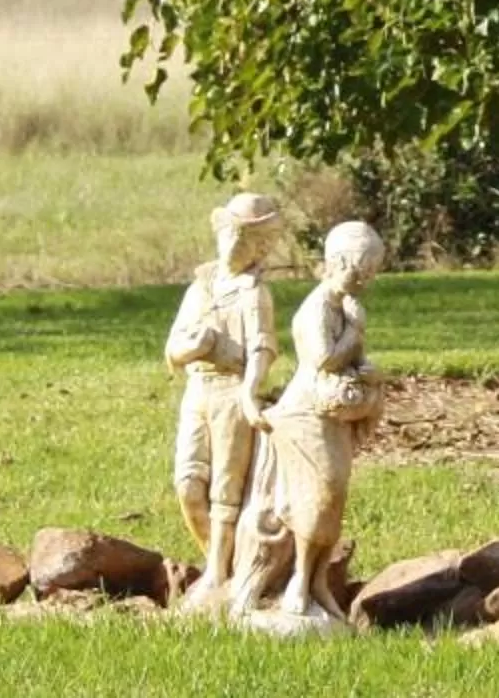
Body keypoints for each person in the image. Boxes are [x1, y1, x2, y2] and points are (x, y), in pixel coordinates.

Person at [237, 219, 386, 625]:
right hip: (306, 414)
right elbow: (324, 359)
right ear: (336, 262)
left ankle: (318, 580)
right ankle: (298, 580)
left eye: (371, 274)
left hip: (333, 412)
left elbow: (350, 361)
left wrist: (368, 370)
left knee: (335, 497)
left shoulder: (345, 306)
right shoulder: (317, 308)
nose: (365, 282)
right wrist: (356, 332)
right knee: (317, 498)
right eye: (360, 271)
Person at [163, 190, 280, 599]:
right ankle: (226, 561)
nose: (235, 244)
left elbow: (264, 347)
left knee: (226, 489)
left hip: (231, 392)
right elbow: (172, 350)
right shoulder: (200, 289)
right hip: (198, 389)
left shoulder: (253, 293)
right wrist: (196, 346)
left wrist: (250, 390)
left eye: (248, 238)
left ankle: (218, 573)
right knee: (188, 483)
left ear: (261, 246)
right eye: (231, 233)